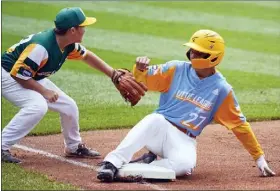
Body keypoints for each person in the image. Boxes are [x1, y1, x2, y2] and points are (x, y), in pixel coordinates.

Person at [97, 29, 276, 182]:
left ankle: (135, 168)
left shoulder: (222, 90)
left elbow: (239, 125)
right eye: (192, 50)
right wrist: (140, 69)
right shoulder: (176, 69)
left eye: (199, 52)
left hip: (184, 139)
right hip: (159, 129)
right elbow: (143, 81)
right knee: (154, 119)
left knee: (184, 166)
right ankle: (112, 162)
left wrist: (259, 158)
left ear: (213, 57)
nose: (193, 55)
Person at [1, 7, 146, 163]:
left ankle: (74, 147)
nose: (84, 30)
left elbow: (87, 56)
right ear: (72, 30)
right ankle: (2, 146)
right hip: (8, 76)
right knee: (37, 106)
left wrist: (113, 74)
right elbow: (20, 75)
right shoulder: (41, 47)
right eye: (82, 27)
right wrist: (44, 91)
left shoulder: (66, 43)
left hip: (31, 75)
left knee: (69, 106)